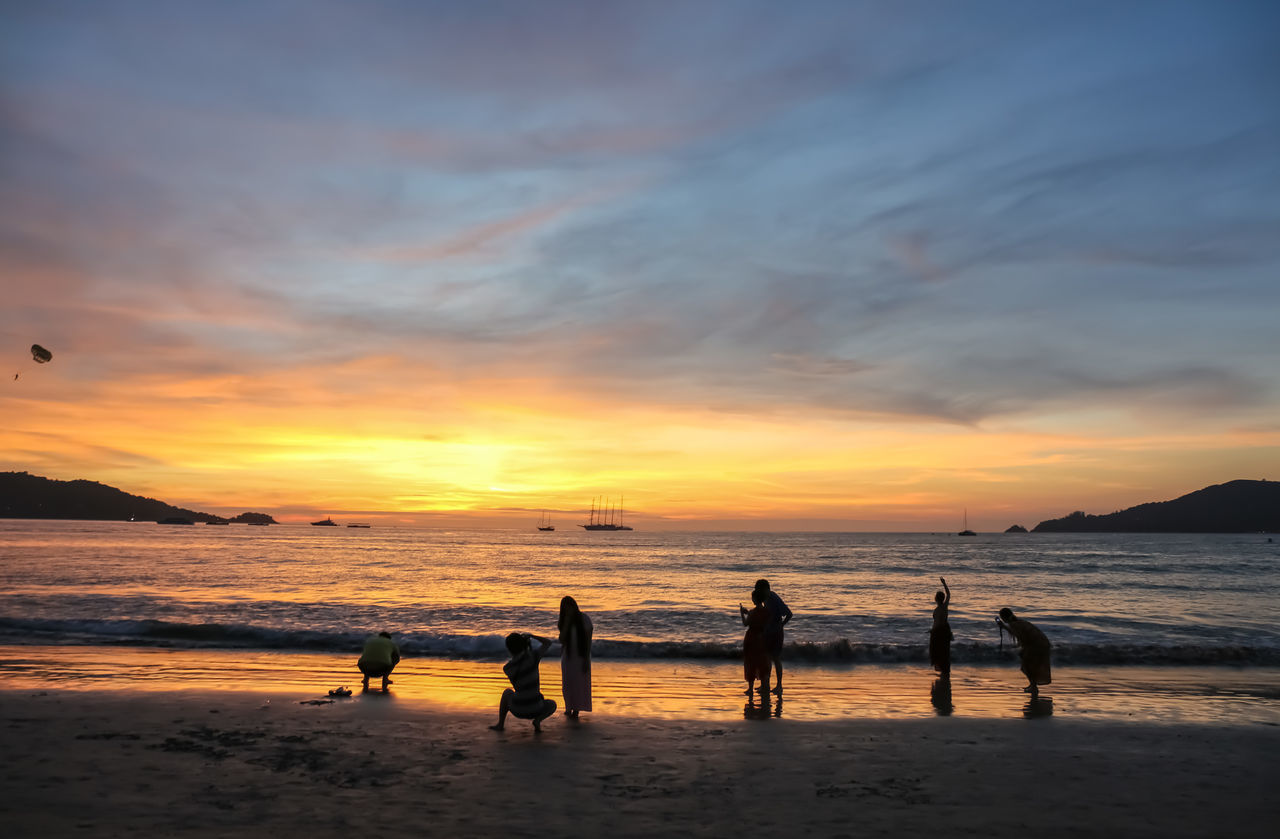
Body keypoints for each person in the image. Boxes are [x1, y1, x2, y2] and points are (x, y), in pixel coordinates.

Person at [491, 632, 557, 732]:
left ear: (509, 649)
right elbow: (547, 643)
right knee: (552, 704)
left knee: (507, 692)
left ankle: (500, 724)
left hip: (518, 710)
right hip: (536, 709)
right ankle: (538, 720)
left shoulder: (508, 668)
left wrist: (526, 647)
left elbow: (520, 664)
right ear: (523, 645)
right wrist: (532, 636)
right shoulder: (533, 658)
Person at [996, 608, 1052, 699]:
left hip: (1037, 645)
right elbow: (1021, 636)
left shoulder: (1015, 625)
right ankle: (1033, 686)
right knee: (1028, 665)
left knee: (1026, 667)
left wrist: (1003, 627)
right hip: (1041, 643)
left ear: (1003, 618)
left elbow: (1018, 636)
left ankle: (1033, 687)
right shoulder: (1019, 622)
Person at [753, 578, 793, 695]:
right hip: (768, 632)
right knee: (766, 658)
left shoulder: (773, 597)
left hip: (776, 632)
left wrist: (781, 625)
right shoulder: (765, 598)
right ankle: (765, 685)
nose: (758, 593)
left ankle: (779, 686)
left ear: (765, 589)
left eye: (759, 590)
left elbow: (789, 613)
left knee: (775, 658)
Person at [558, 596, 593, 719]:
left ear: (574, 606)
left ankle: (576, 709)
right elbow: (561, 640)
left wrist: (585, 660)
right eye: (565, 607)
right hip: (567, 656)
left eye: (570, 606)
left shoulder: (584, 619)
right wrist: (567, 623)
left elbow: (588, 641)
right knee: (567, 683)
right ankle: (568, 707)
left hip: (581, 656)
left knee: (579, 683)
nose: (568, 610)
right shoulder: (564, 620)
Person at [739, 588, 772, 697]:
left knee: (751, 663)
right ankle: (764, 687)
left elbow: (745, 623)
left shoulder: (753, 612)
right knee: (762, 662)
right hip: (762, 638)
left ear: (755, 599)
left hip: (751, 639)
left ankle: (750, 689)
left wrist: (742, 613)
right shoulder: (767, 612)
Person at [929, 576, 953, 677]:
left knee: (938, 650)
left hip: (939, 631)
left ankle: (944, 671)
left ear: (936, 598)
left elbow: (937, 623)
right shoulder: (944, 606)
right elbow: (948, 594)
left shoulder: (941, 608)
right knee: (943, 650)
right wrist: (944, 583)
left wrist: (932, 631)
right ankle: (944, 671)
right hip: (943, 631)